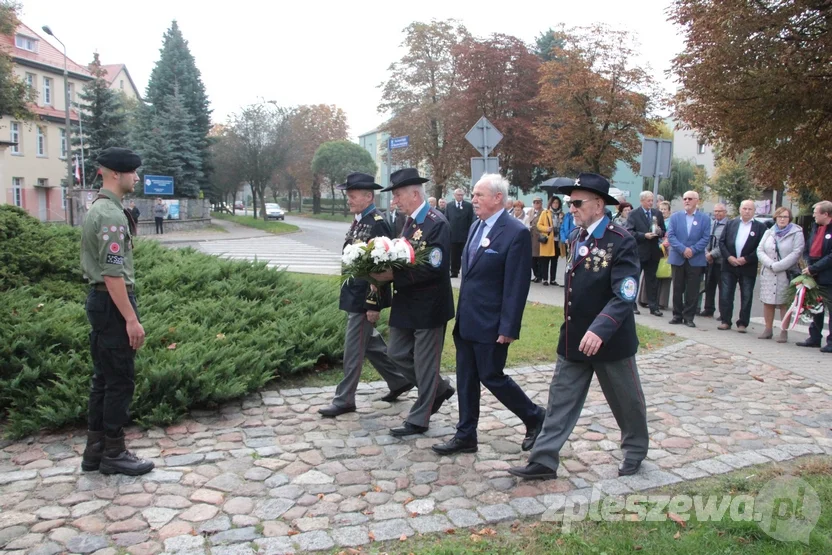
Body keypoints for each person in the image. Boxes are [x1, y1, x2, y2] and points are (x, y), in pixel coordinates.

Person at [508, 173, 648, 480]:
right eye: (571, 203)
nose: (571, 208)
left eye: (577, 202)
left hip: (609, 339)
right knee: (560, 400)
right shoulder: (576, 237)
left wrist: (600, 329)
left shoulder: (620, 240)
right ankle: (543, 461)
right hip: (574, 336)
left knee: (626, 401)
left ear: (598, 205)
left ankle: (635, 450)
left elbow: (624, 294)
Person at [432, 174, 545, 456]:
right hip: (468, 321)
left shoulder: (514, 232)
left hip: (492, 324)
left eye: (479, 195)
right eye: (473, 195)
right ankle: (465, 435)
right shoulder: (475, 227)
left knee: (492, 376)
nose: (473, 200)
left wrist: (508, 326)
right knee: (466, 378)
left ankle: (534, 416)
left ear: (498, 198)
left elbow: (516, 286)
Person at [79, 147, 154, 476]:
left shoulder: (99, 207)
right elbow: (112, 274)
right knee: (119, 381)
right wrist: (131, 319)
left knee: (103, 380)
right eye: (132, 172)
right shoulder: (109, 214)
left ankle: (94, 451)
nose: (136, 178)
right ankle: (114, 452)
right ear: (115, 174)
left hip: (102, 303)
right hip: (113, 304)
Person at [318, 173, 414, 418]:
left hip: (364, 299)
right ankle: (399, 379)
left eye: (352, 196)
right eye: (348, 195)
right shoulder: (360, 219)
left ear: (368, 196)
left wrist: (374, 304)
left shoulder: (377, 222)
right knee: (369, 343)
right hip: (354, 294)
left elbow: (382, 267)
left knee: (353, 350)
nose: (348, 200)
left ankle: (345, 399)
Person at [371, 168, 456, 436]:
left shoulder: (436, 222)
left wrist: (393, 274)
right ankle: (439, 389)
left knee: (424, 362)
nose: (394, 201)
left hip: (429, 306)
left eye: (397, 195)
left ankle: (419, 419)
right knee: (395, 353)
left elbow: (435, 267)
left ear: (415, 193)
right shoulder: (407, 222)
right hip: (406, 302)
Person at [718, 200, 767, 332]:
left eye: (750, 209)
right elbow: (721, 242)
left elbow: (761, 247)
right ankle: (725, 320)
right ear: (740, 209)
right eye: (744, 208)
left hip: (747, 266)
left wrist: (746, 259)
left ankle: (742, 323)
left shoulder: (760, 228)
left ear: (754, 211)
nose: (747, 211)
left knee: (746, 295)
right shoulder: (731, 224)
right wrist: (729, 257)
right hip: (729, 265)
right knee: (726, 294)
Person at [756, 207, 804, 342]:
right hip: (769, 272)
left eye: (785, 217)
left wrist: (779, 266)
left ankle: (784, 331)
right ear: (775, 218)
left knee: (784, 303)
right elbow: (760, 250)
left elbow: (797, 252)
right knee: (768, 302)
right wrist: (770, 264)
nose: (782, 219)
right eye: (780, 216)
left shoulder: (797, 233)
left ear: (790, 219)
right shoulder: (769, 232)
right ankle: (768, 329)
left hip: (786, 273)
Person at [666, 191, 711, 327]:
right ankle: (677, 315)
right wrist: (683, 249)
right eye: (684, 198)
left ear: (697, 201)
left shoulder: (704, 218)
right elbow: (671, 236)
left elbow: (705, 238)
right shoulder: (675, 217)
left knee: (692, 289)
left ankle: (689, 317)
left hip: (695, 259)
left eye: (690, 199)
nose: (686, 201)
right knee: (677, 288)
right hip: (678, 257)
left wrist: (693, 250)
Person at [797, 200, 832, 352]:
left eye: (816, 213)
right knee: (816, 307)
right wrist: (807, 264)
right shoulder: (816, 228)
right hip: (814, 274)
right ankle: (814, 337)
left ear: (825, 214)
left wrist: (815, 267)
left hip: (828, 276)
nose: (813, 215)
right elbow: (809, 247)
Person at [627, 191, 665, 317]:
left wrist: (659, 231)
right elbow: (629, 232)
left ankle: (653, 307)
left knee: (652, 280)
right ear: (642, 201)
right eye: (648, 200)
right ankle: (632, 305)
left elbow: (663, 230)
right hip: (639, 251)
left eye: (652, 200)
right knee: (635, 279)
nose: (650, 203)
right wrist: (644, 235)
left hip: (653, 252)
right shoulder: (634, 214)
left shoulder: (657, 214)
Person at [700, 203, 729, 318]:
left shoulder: (728, 225)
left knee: (723, 288)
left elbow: (724, 243)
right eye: (715, 211)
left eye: (720, 211)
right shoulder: (711, 224)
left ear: (725, 212)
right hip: (709, 261)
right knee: (709, 286)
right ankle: (708, 309)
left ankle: (723, 313)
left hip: (721, 262)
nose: (717, 213)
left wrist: (712, 254)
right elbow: (705, 240)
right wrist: (707, 254)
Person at [445, 188, 474, 278]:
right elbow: (446, 219)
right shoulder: (449, 206)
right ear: (454, 195)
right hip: (453, 235)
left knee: (465, 254)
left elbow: (471, 220)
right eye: (458, 195)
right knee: (454, 255)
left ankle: (467, 271)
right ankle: (454, 271)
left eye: (461, 195)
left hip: (464, 235)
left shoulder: (468, 206)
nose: (460, 196)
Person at [537, 196, 563, 286]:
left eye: (557, 203)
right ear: (551, 203)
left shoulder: (561, 214)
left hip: (557, 240)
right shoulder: (545, 213)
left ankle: (553, 279)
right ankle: (545, 279)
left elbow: (563, 227)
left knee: (554, 261)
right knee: (545, 260)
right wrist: (546, 228)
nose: (556, 204)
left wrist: (561, 220)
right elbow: (539, 225)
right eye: (554, 203)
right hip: (548, 240)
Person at [527, 197, 544, 282]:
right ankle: (536, 274)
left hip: (539, 237)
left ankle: (539, 276)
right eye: (535, 202)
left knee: (540, 258)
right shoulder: (530, 212)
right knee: (532, 258)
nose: (536, 204)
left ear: (541, 203)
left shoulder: (544, 212)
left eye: (538, 202)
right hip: (531, 237)